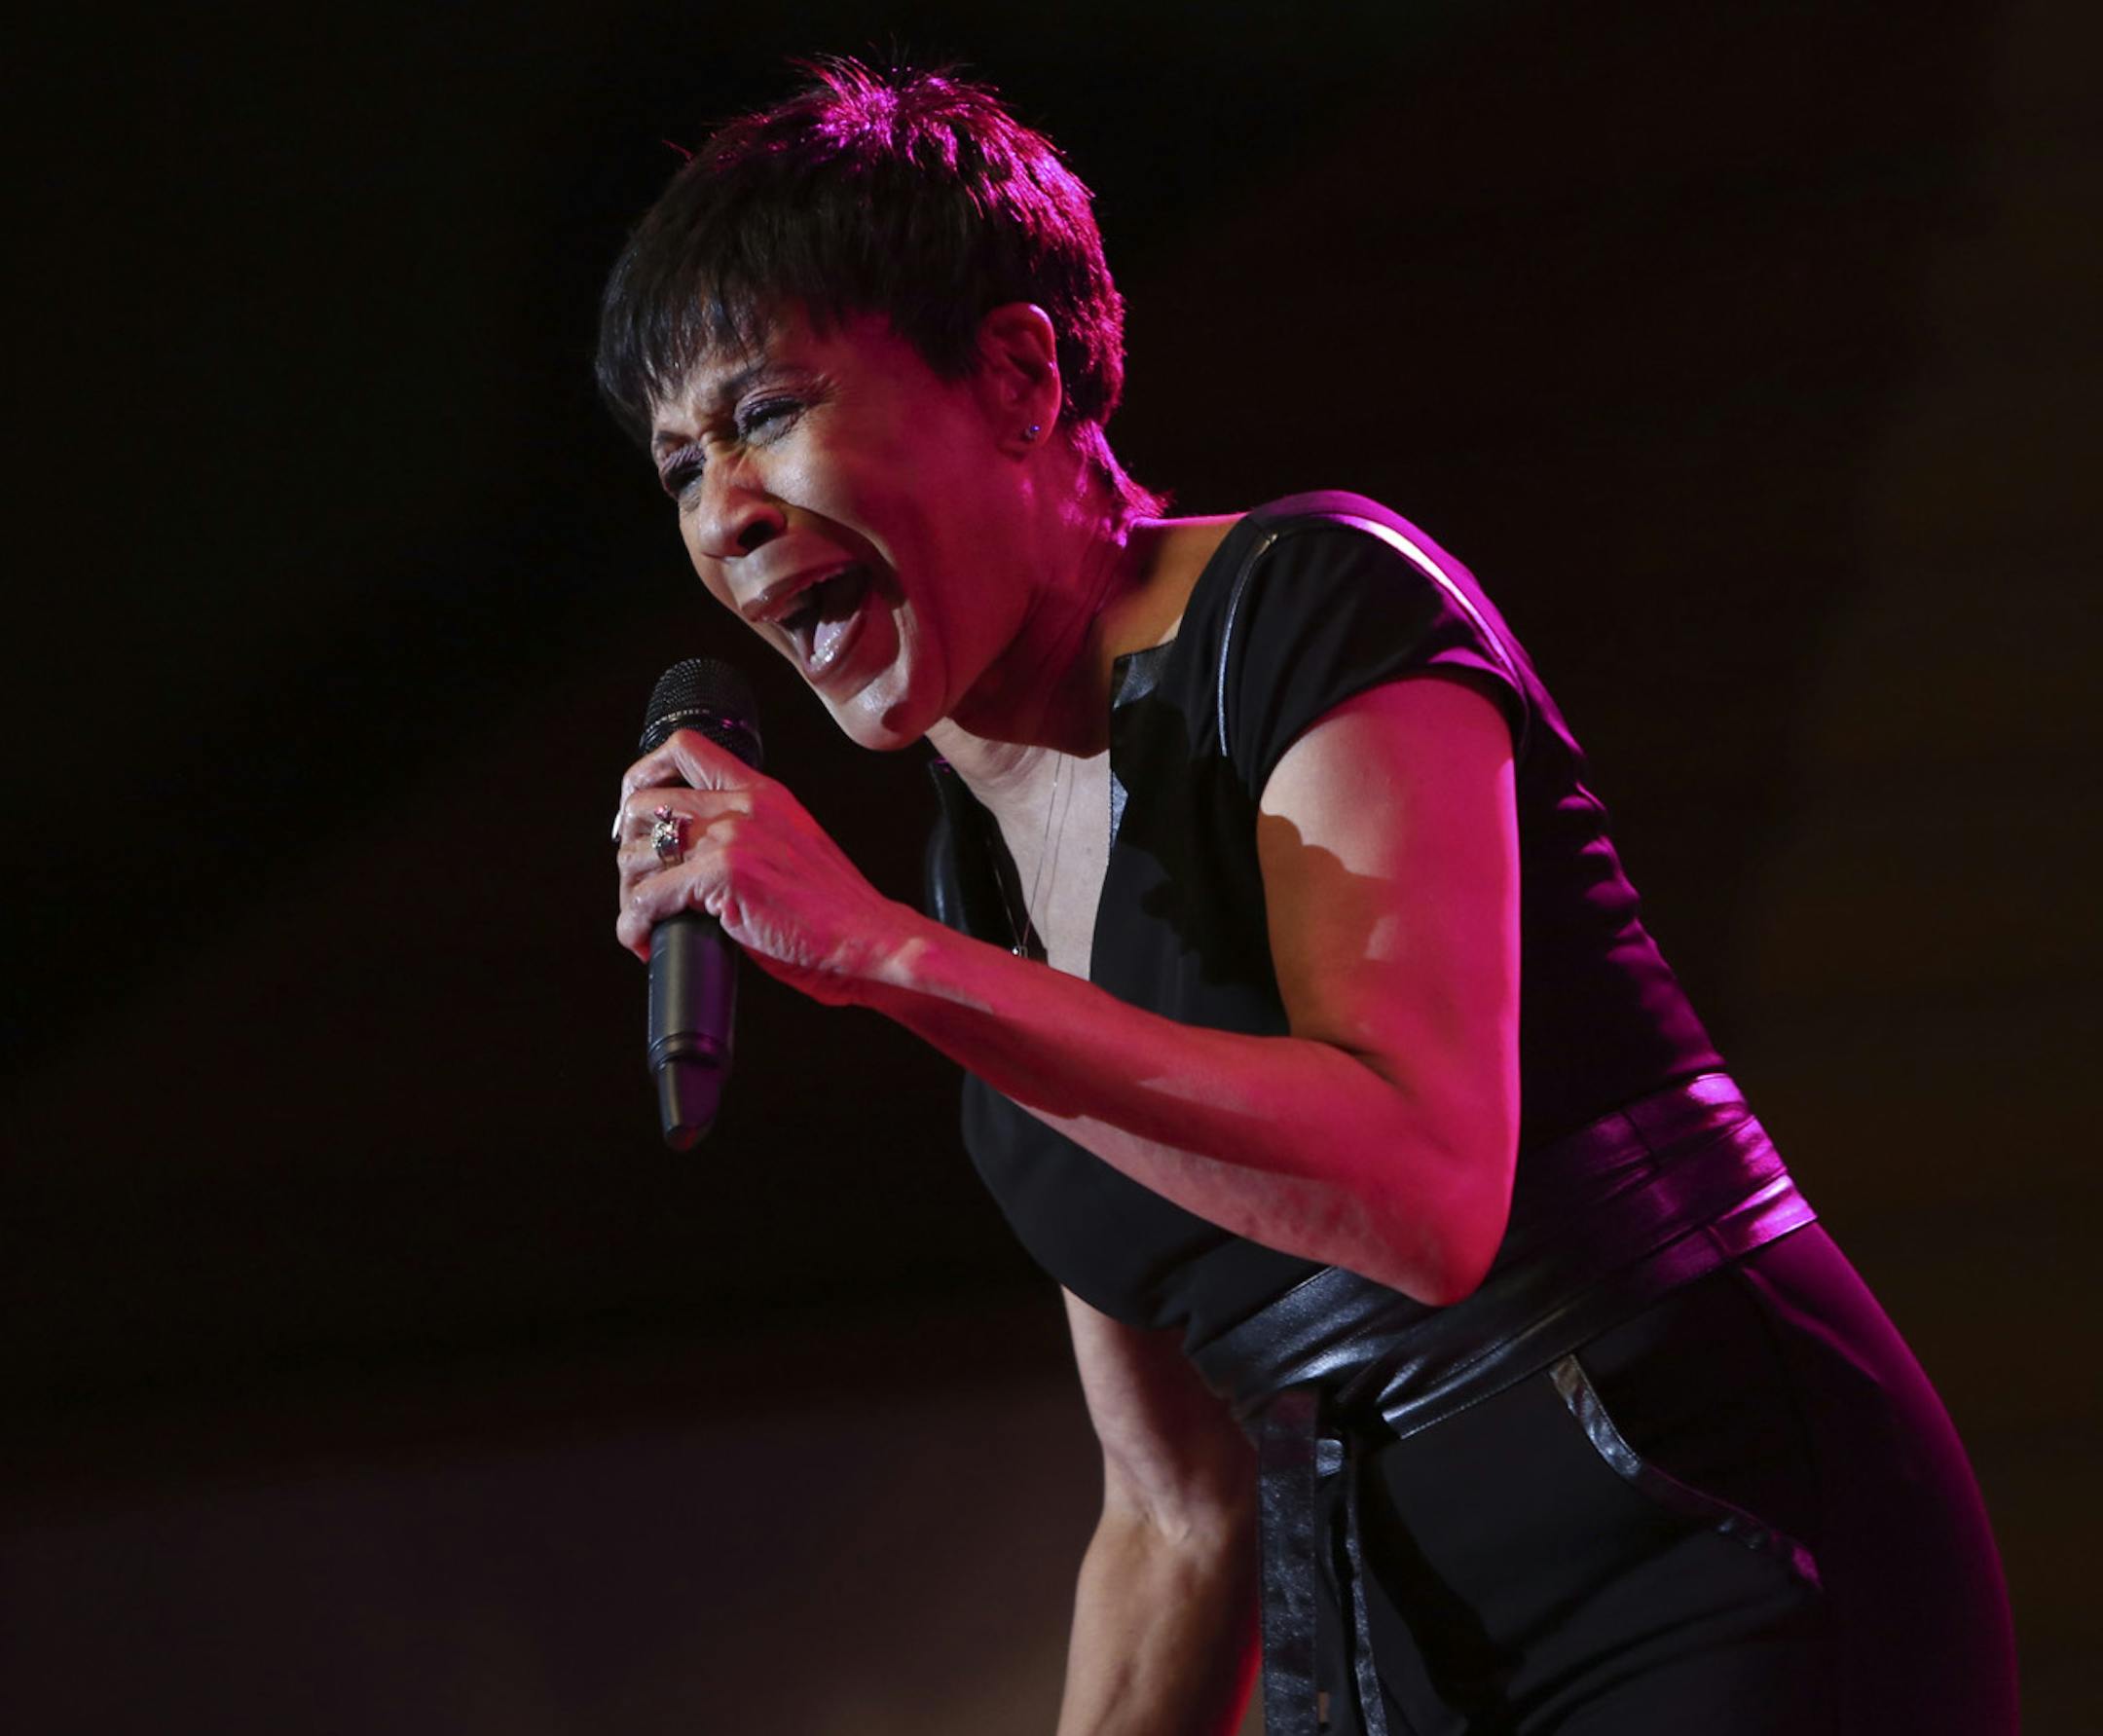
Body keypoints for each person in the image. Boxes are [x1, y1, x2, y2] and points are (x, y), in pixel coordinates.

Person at [600, 59, 2017, 1735]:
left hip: (1697, 1533)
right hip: (1405, 1649)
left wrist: (873, 956)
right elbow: (1177, 1510)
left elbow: (1418, 1189)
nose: (728, 517)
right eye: (683, 465)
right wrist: (908, 945)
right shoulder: (960, 878)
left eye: (766, 413)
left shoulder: (1314, 600)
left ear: (1015, 375)